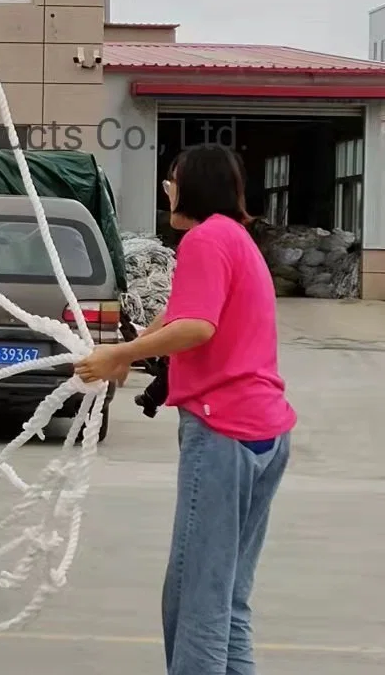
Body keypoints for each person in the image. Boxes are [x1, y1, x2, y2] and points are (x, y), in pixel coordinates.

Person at [74, 144, 297, 675]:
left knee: (195, 598)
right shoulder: (235, 239)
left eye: (172, 179)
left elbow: (199, 327)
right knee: (226, 597)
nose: (166, 188)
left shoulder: (203, 239)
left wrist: (121, 353)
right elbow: (181, 314)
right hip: (264, 433)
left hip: (224, 433)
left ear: (191, 185)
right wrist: (128, 354)